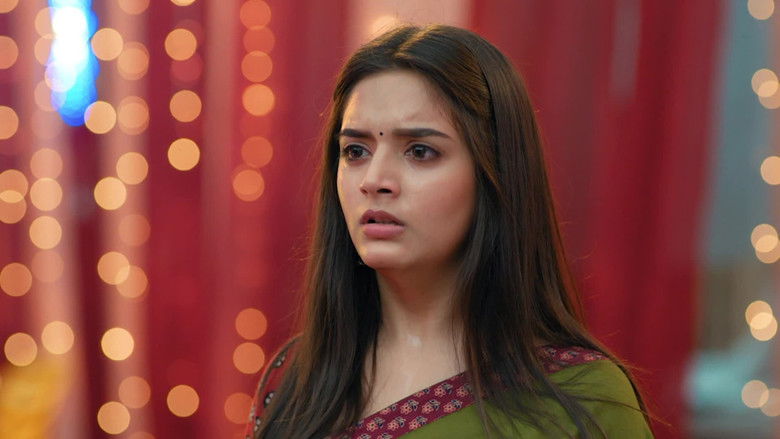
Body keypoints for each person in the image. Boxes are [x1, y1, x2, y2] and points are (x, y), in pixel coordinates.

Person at [246, 24, 653, 438]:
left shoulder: (584, 401)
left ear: (495, 174)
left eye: (420, 151)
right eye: (356, 151)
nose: (374, 180)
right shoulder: (296, 382)